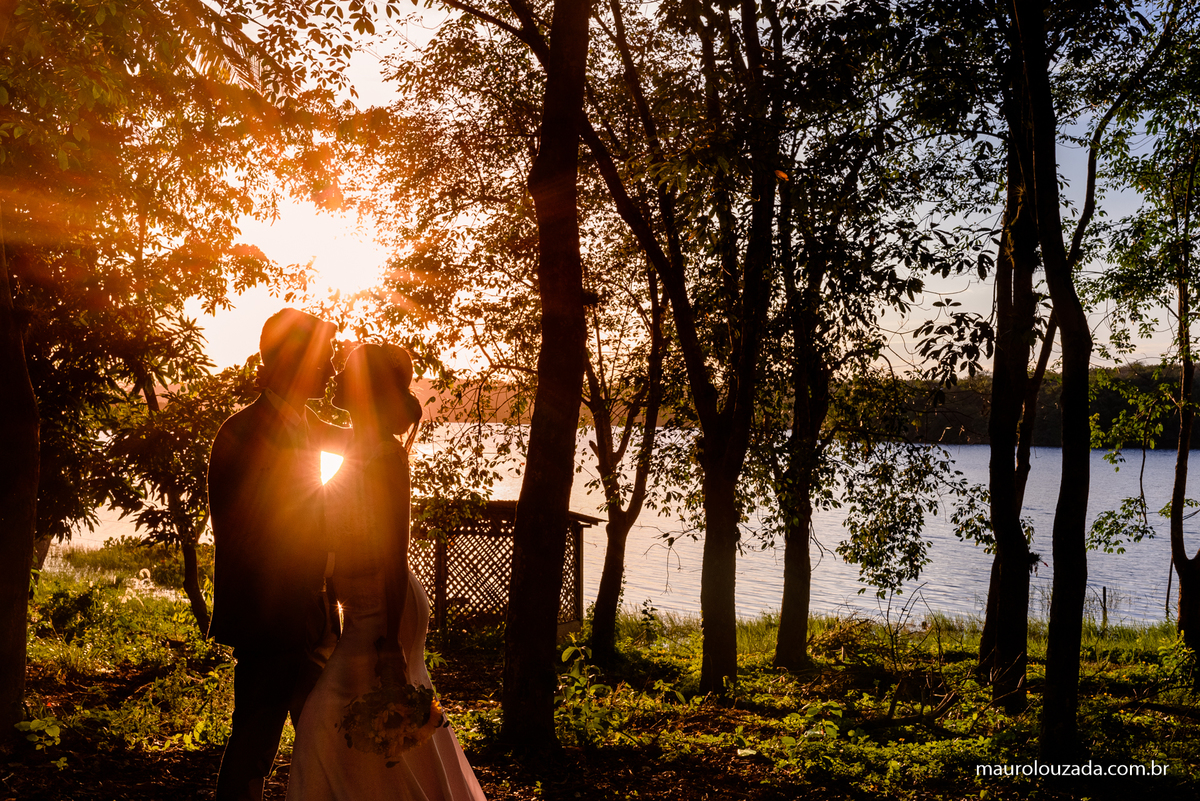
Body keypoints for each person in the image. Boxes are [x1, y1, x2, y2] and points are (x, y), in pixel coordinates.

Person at [286, 343, 487, 801]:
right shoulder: (356, 440)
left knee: (330, 717)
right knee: (381, 723)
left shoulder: (384, 457)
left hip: (387, 606)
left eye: (345, 370)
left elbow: (397, 554)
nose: (335, 373)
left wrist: (390, 644)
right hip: (362, 606)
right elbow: (300, 423)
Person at [208, 308, 349, 801]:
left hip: (308, 617)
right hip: (271, 619)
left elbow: (365, 448)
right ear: (295, 360)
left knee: (326, 736)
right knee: (255, 741)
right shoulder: (244, 433)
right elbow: (248, 536)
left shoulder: (305, 424)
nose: (332, 371)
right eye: (327, 358)